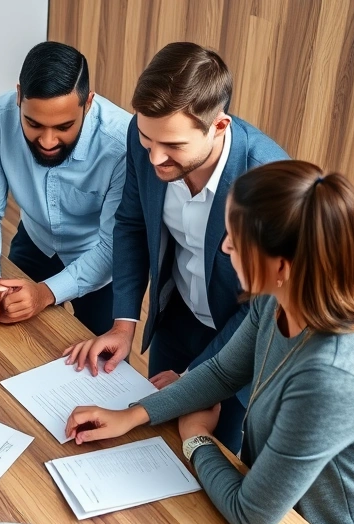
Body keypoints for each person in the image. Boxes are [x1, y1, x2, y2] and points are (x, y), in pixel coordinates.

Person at [66, 161, 354, 524]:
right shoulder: (279, 298)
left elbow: (249, 516)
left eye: (235, 240)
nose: (225, 247)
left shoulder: (333, 378)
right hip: (285, 510)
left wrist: (196, 438)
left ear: (282, 266)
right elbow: (221, 374)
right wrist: (133, 414)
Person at [64, 42, 288, 453]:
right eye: (148, 139)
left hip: (238, 336)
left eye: (173, 146)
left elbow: (264, 302)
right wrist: (123, 324)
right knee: (156, 446)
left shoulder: (267, 179)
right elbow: (130, 224)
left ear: (218, 127)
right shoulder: (144, 135)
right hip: (176, 318)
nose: (155, 158)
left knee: (208, 455)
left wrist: (195, 380)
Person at [0, 41, 132, 336]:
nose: (48, 141)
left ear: (88, 104)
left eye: (64, 127)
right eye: (33, 123)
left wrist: (45, 294)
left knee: (104, 369)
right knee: (5, 339)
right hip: (35, 238)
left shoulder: (122, 144)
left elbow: (112, 245)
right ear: (19, 97)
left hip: (100, 258)